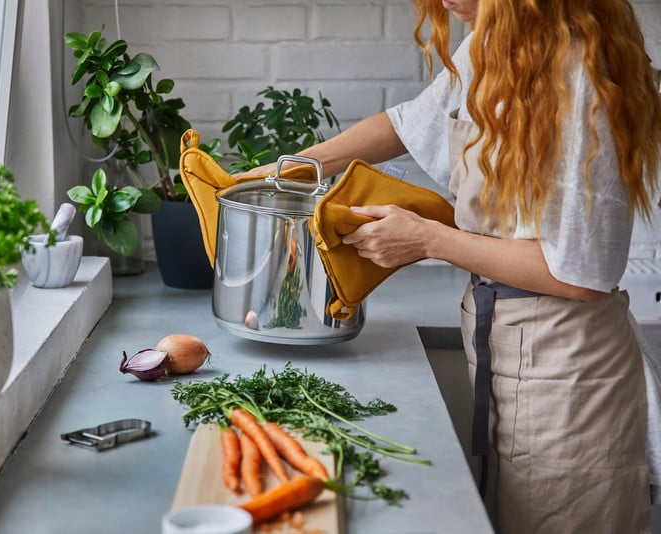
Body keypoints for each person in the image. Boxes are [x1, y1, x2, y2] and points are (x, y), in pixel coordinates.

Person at [235, 0, 661, 532]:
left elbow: (579, 277)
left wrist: (429, 240)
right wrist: (283, 172)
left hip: (569, 372)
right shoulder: (492, 47)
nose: (442, 2)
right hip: (502, 345)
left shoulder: (578, 77)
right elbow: (405, 123)